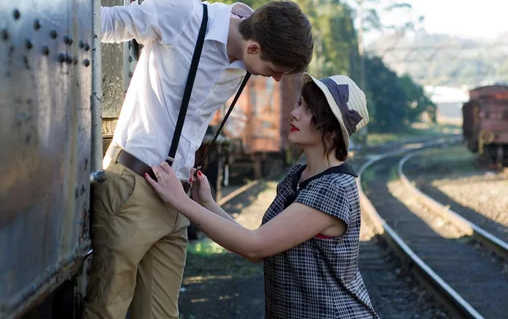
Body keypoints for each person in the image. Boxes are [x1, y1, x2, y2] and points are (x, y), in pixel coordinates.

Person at [85, 0, 314, 319]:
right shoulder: (184, 17)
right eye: (274, 70)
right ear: (253, 49)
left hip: (177, 200)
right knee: (107, 311)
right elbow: (104, 23)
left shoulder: (243, 52)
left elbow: (243, 19)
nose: (275, 79)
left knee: (161, 315)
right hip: (133, 189)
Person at [146, 73, 379, 319]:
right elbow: (260, 243)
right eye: (300, 103)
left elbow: (255, 246)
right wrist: (207, 203)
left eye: (309, 111)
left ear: (331, 132)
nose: (294, 113)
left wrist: (180, 201)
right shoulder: (298, 176)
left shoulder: (334, 188)